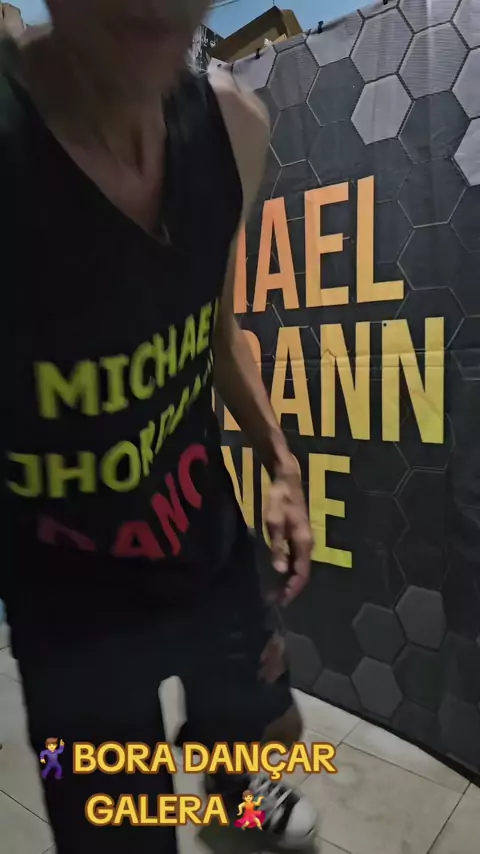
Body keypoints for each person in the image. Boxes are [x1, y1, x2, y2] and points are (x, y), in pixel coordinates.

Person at [0, 2, 317, 852]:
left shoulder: (234, 132)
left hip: (205, 546)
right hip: (69, 609)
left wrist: (280, 462)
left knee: (263, 730)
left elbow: (216, 325)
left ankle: (232, 792)